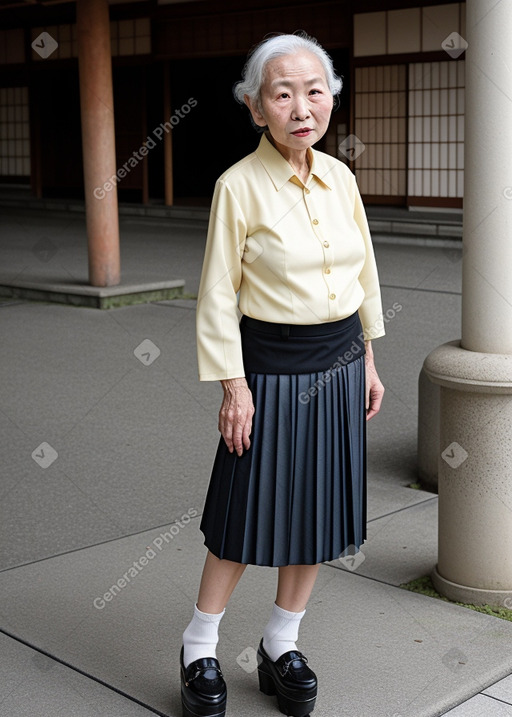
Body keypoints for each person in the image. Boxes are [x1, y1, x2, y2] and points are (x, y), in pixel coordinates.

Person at [180, 31, 385, 717]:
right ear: (256, 107)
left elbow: (363, 274)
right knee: (242, 519)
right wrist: (232, 386)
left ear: (331, 99)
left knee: (319, 516)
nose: (303, 105)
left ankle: (281, 640)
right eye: (284, 92)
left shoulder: (342, 178)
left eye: (315, 90)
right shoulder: (237, 186)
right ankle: (200, 645)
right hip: (265, 371)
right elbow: (215, 295)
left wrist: (370, 357)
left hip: (340, 362)